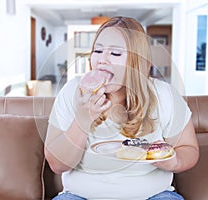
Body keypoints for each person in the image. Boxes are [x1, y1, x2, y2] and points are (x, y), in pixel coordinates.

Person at [44, 16, 199, 200]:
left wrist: (173, 162)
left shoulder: (164, 94)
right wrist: (82, 120)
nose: (102, 60)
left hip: (154, 196)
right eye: (98, 50)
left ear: (137, 62)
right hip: (80, 196)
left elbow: (189, 148)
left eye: (115, 54)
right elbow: (57, 164)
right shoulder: (72, 92)